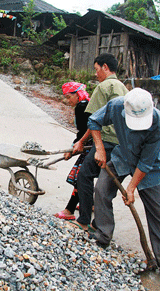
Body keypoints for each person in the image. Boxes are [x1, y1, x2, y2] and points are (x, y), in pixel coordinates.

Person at [88, 88, 160, 287]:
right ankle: (103, 234)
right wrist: (99, 148)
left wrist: (131, 188)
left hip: (149, 168)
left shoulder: (159, 124)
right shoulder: (117, 105)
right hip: (122, 156)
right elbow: (94, 121)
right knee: (101, 190)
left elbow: (145, 163)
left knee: (158, 212)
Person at [54, 53, 128, 229]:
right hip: (121, 143)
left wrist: (81, 142)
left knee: (84, 176)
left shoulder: (104, 88)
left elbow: (94, 121)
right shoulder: (124, 88)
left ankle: (84, 221)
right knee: (105, 185)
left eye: (96, 69)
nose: (95, 74)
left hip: (106, 141)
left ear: (105, 67)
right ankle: (98, 225)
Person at [53, 81, 91, 220]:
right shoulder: (89, 102)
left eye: (69, 97)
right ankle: (89, 203)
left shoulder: (81, 107)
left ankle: (69, 210)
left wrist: (72, 148)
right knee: (88, 175)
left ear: (77, 94)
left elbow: (83, 132)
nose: (68, 101)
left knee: (80, 177)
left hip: (89, 145)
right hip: (93, 143)